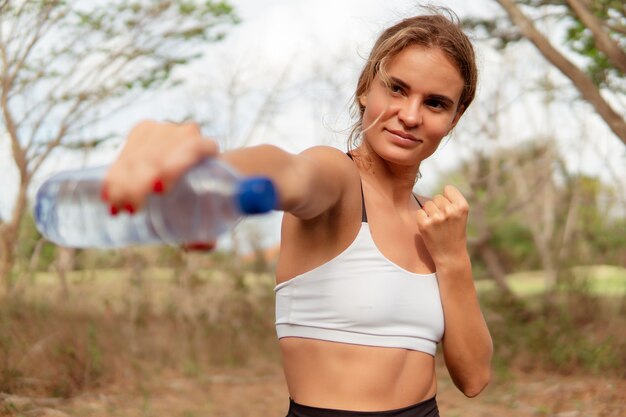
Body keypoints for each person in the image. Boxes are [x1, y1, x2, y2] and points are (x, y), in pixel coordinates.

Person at [103, 7, 492, 417]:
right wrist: (208, 170)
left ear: (454, 118)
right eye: (396, 89)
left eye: (434, 103)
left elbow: (474, 378)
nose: (410, 116)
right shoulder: (338, 179)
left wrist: (452, 257)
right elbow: (288, 171)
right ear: (366, 89)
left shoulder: (433, 220)